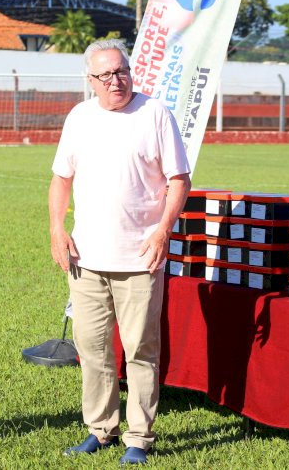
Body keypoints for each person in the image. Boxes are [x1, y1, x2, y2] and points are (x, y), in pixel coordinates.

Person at [49, 38, 191, 465]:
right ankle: (101, 429)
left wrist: (163, 230)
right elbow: (61, 179)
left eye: (122, 70)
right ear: (90, 80)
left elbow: (179, 180)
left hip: (139, 258)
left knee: (141, 351)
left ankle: (139, 438)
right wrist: (57, 229)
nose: (117, 80)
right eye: (106, 74)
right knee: (92, 350)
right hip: (86, 259)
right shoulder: (79, 117)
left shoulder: (155, 114)